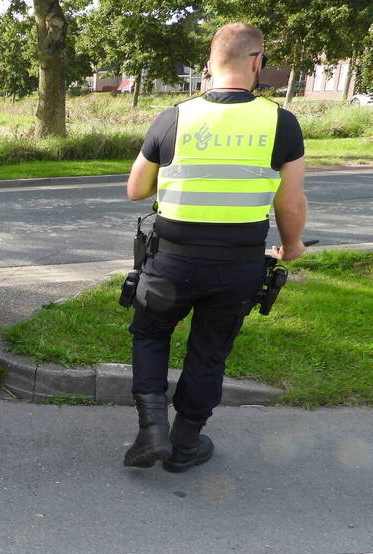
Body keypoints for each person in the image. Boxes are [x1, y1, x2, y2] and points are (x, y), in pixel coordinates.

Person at [123, 22, 308, 473]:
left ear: (208, 66)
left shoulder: (174, 117)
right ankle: (185, 443)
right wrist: (292, 245)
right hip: (237, 265)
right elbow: (291, 201)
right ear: (257, 62)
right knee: (209, 350)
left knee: (150, 335)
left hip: (171, 259)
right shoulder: (280, 123)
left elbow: (135, 189)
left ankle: (152, 431)